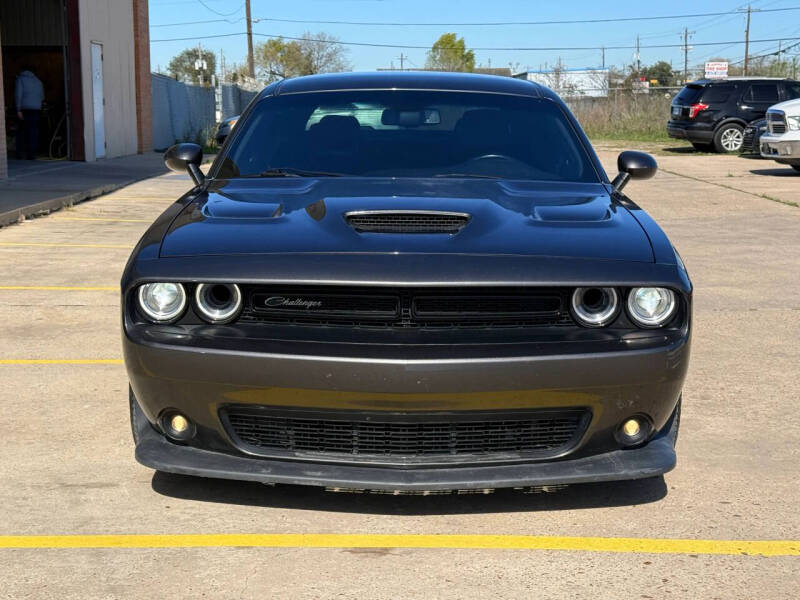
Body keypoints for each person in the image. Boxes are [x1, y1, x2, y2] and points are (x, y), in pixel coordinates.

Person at [14, 66, 45, 160]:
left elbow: (18, 94)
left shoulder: (20, 79)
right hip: (36, 109)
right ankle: (31, 154)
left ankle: (20, 153)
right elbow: (42, 97)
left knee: (21, 131)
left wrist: (18, 109)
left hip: (24, 109)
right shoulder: (38, 81)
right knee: (33, 132)